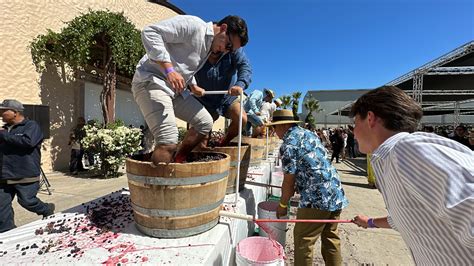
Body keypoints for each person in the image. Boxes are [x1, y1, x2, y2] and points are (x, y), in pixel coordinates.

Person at [351, 86, 473, 265]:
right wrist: (370, 222)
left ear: (370, 118)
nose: (353, 132)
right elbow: (410, 215)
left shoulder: (406, 150)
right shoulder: (393, 157)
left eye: (355, 123)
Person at [131, 15, 248, 164]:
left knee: (205, 123)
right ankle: (158, 185)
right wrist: (169, 70)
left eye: (230, 51)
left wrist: (192, 84)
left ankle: (178, 159)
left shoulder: (208, 46)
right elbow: (150, 32)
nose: (225, 51)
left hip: (175, 90)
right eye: (229, 46)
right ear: (223, 28)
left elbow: (184, 65)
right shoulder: (194, 25)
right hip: (152, 81)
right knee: (168, 140)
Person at [268, 109, 349, 266]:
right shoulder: (308, 134)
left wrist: (283, 205)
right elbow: (312, 163)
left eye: (274, 127)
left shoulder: (288, 144)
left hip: (317, 197)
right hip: (334, 190)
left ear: (283, 126)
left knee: (303, 239)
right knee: (331, 237)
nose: (274, 131)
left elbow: (288, 182)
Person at [0, 99, 55, 233]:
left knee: (27, 201)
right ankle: (7, 232)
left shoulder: (31, 126)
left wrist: (4, 136)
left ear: (15, 112)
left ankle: (46, 209)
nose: (1, 114)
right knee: (1, 206)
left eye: (3, 111)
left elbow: (28, 142)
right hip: (4, 174)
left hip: (25, 174)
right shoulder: (4, 129)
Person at [194, 43, 252, 146]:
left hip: (227, 97)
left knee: (241, 118)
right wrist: (192, 86)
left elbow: (244, 66)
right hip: (203, 99)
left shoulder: (233, 48)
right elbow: (186, 69)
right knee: (202, 141)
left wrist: (240, 84)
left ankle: (223, 142)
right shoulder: (199, 45)